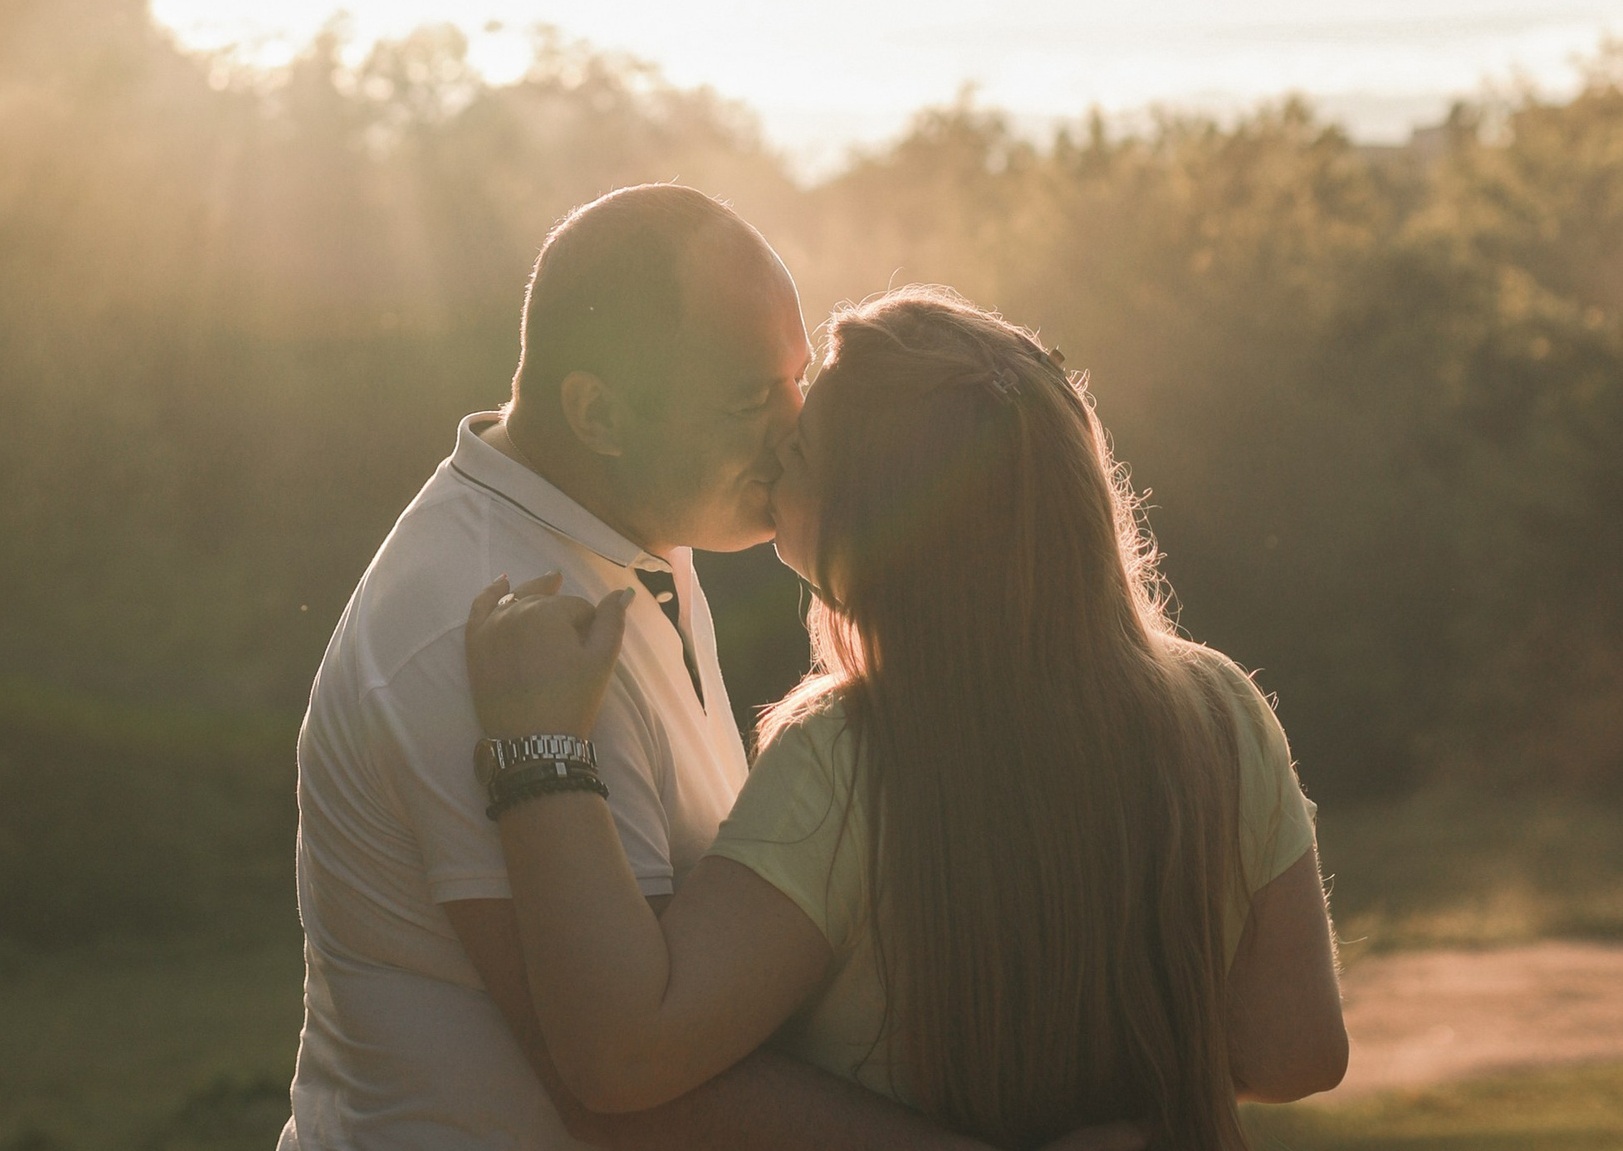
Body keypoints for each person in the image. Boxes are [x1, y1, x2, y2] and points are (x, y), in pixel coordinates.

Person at [280, 187, 1128, 1151]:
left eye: (796, 378)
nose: (796, 427)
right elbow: (622, 1088)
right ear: (598, 413)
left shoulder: (635, 532)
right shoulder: (495, 629)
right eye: (747, 401)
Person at [464, 289, 1351, 1151]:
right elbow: (1296, 1049)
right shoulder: (1222, 710)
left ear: (887, 522)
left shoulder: (847, 766)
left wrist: (535, 745)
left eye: (803, 454)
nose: (775, 462)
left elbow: (623, 1058)